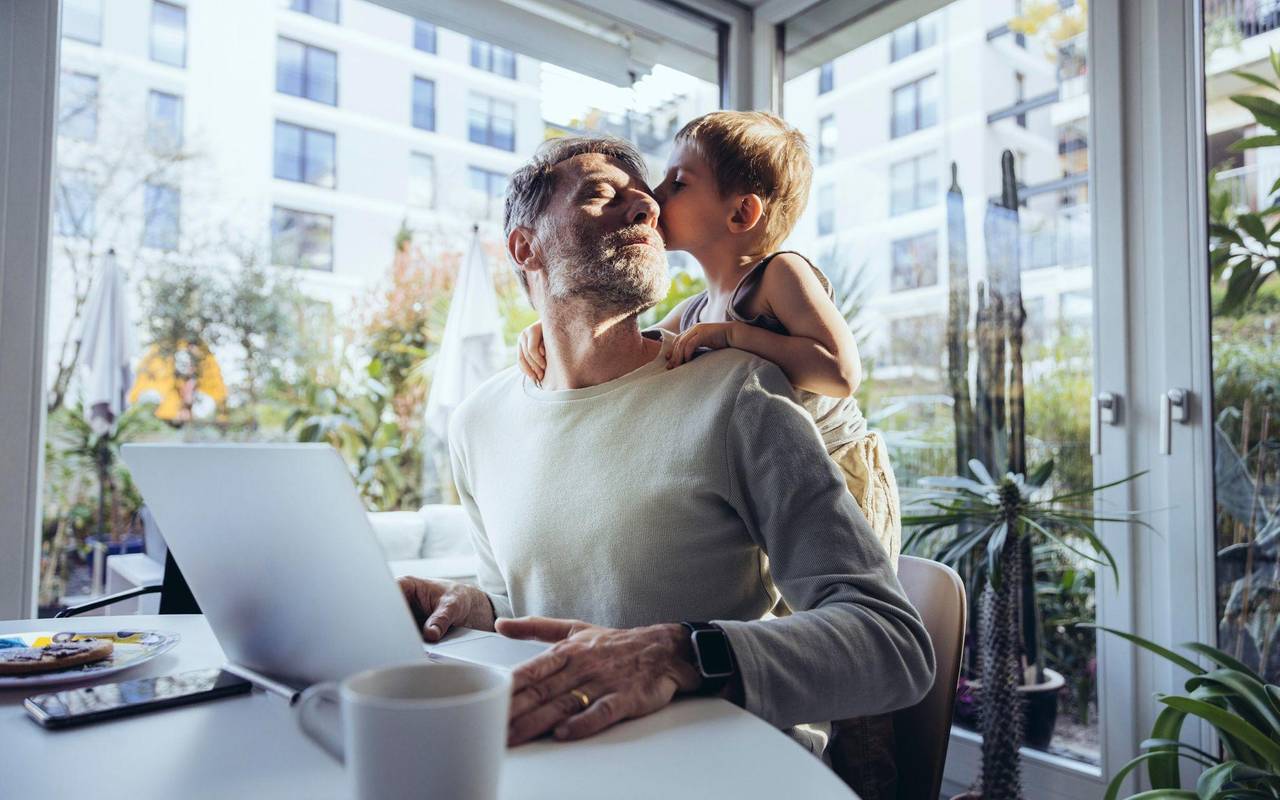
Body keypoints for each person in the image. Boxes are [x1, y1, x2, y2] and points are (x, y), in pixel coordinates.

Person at [397, 137, 933, 780]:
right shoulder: (478, 423)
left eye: (648, 196)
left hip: (725, 775)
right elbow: (519, 607)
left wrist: (681, 653)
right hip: (558, 767)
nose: (645, 207)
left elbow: (893, 647)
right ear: (524, 247)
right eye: (601, 193)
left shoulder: (739, 392)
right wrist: (472, 608)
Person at [517, 111, 901, 568]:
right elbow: (642, 342)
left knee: (838, 609)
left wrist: (736, 335)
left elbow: (840, 371)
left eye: (678, 183)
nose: (654, 197)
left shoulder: (779, 274)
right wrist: (555, 324)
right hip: (776, 485)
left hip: (842, 475)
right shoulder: (699, 309)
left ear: (741, 212)